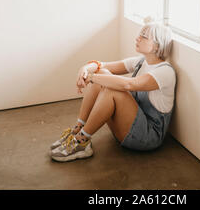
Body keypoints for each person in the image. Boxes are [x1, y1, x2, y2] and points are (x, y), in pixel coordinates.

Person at [50, 17, 176, 162]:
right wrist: (84, 69)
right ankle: (79, 128)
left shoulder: (165, 72)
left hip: (146, 138)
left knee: (112, 89)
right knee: (103, 75)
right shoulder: (141, 62)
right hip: (128, 129)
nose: (137, 38)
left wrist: (91, 77)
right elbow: (103, 66)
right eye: (139, 35)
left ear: (156, 46)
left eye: (144, 37)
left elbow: (129, 85)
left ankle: (82, 141)